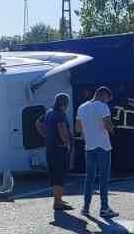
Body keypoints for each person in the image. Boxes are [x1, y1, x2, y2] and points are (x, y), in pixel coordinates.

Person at [75, 86, 117, 218]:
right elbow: (108, 125)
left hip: (89, 146)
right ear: (104, 95)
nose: (107, 102)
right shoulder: (103, 107)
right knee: (104, 178)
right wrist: (113, 131)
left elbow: (77, 128)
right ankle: (104, 208)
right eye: (107, 99)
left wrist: (87, 131)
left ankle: (86, 208)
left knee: (89, 178)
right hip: (103, 146)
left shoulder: (82, 107)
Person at [35, 93, 73, 211]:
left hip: (50, 148)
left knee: (54, 175)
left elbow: (38, 123)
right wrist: (66, 142)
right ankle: (58, 202)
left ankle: (58, 199)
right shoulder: (60, 115)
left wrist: (46, 135)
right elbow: (62, 129)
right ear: (64, 103)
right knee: (59, 176)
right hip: (59, 149)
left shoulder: (49, 112)